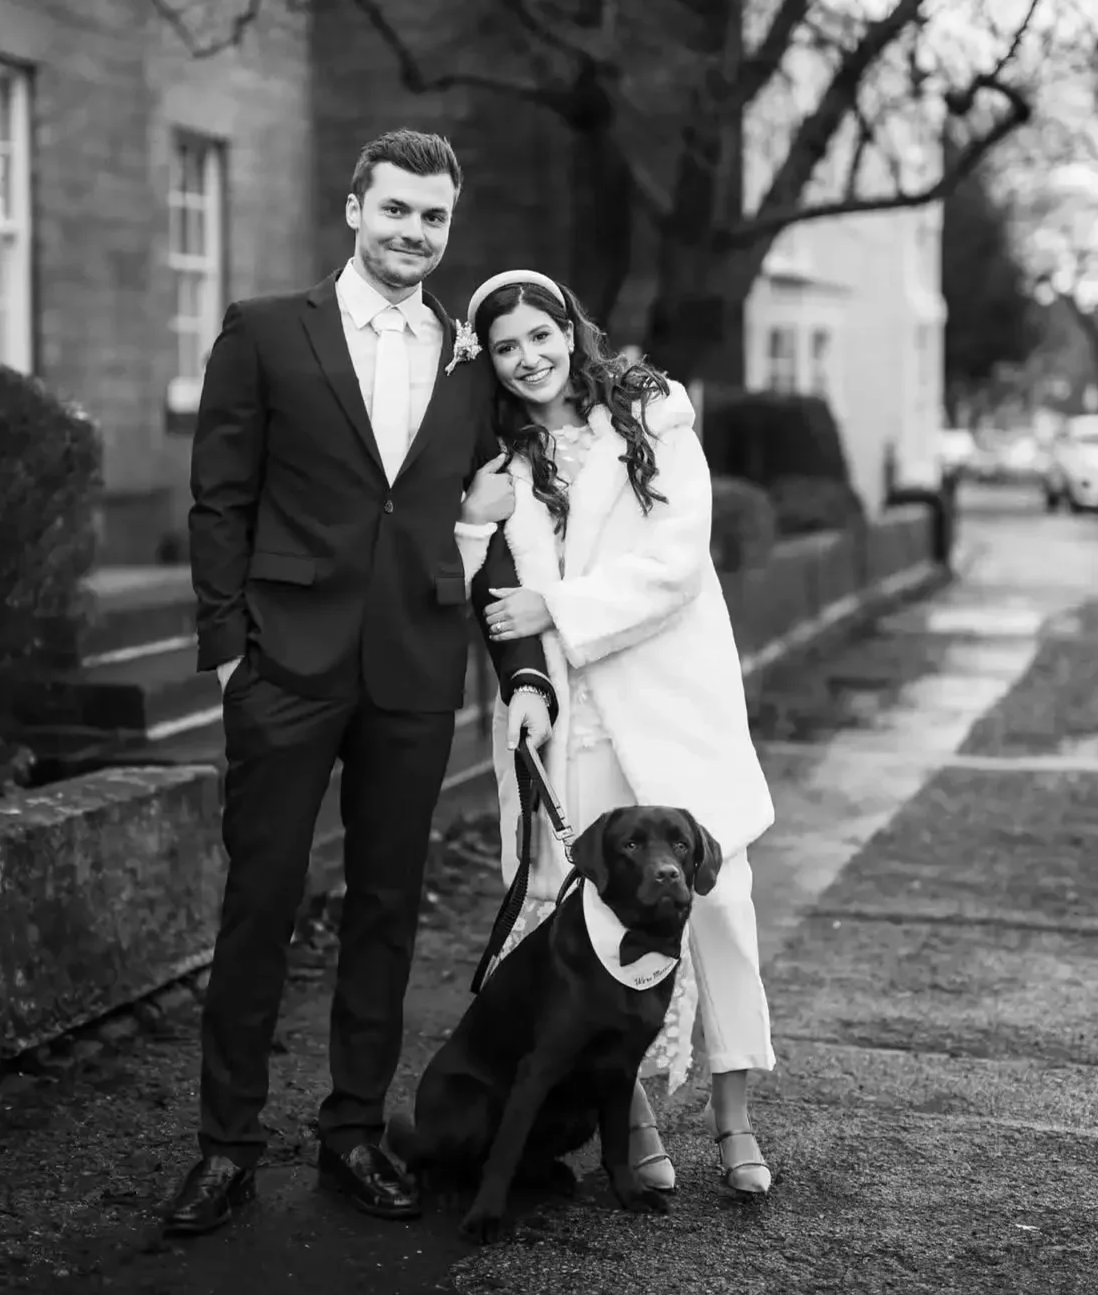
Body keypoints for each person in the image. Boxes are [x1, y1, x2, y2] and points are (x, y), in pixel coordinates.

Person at [165, 135, 556, 1236]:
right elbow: (217, 496)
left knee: (387, 907)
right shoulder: (263, 330)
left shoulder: (470, 357)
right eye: (394, 210)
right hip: (284, 659)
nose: (412, 234)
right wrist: (229, 645)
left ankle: (351, 1131)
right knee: (261, 902)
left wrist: (517, 664)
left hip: (414, 665)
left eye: (432, 219)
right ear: (353, 209)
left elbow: (495, 520)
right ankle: (225, 1143)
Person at [456, 269, 776, 1198]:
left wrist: (554, 604)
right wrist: (474, 532)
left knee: (716, 907)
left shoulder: (652, 417)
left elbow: (675, 566)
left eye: (540, 336)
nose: (528, 359)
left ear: (569, 328)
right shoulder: (502, 464)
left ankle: (734, 1121)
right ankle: (630, 1127)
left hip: (670, 700)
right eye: (507, 346)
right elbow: (492, 603)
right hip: (571, 720)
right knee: (587, 921)